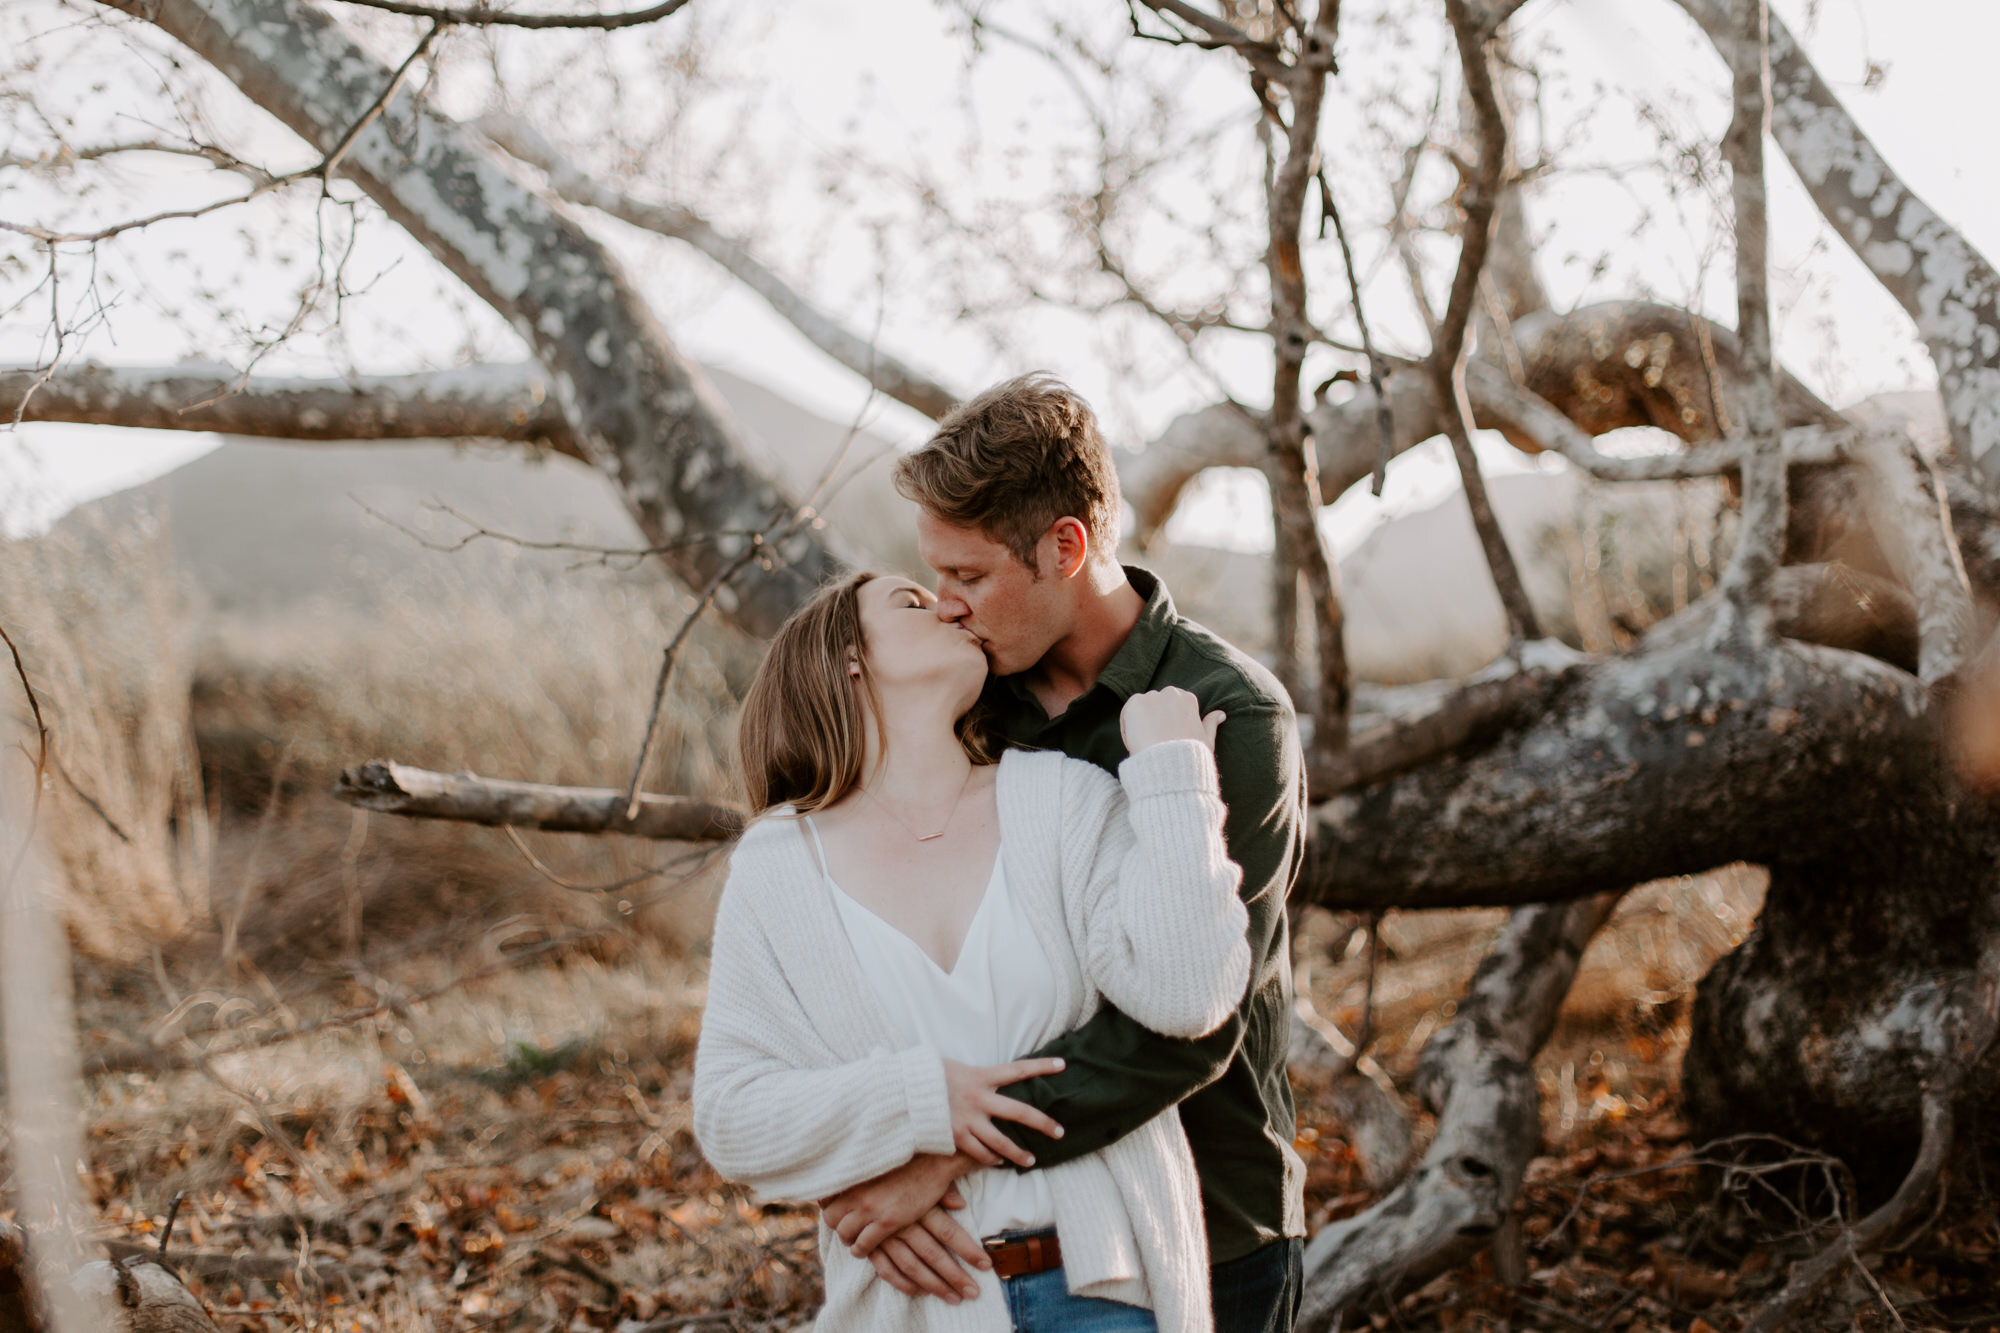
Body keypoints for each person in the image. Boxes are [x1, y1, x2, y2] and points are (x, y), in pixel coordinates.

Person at [819, 375, 1308, 1333]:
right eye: (937, 578)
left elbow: (1192, 1026)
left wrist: (953, 1149)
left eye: (969, 577)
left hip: (1214, 1217)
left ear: (1067, 546)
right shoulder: (967, 710)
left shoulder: (1231, 712)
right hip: (1008, 1233)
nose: (949, 607)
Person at [692, 569, 1254, 1331]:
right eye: (913, 601)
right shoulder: (778, 865)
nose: (949, 605)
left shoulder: (1066, 799)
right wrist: (919, 1103)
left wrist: (1172, 780)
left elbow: (1189, 994)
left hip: (1103, 1287)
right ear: (848, 656)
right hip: (911, 1305)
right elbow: (732, 1116)